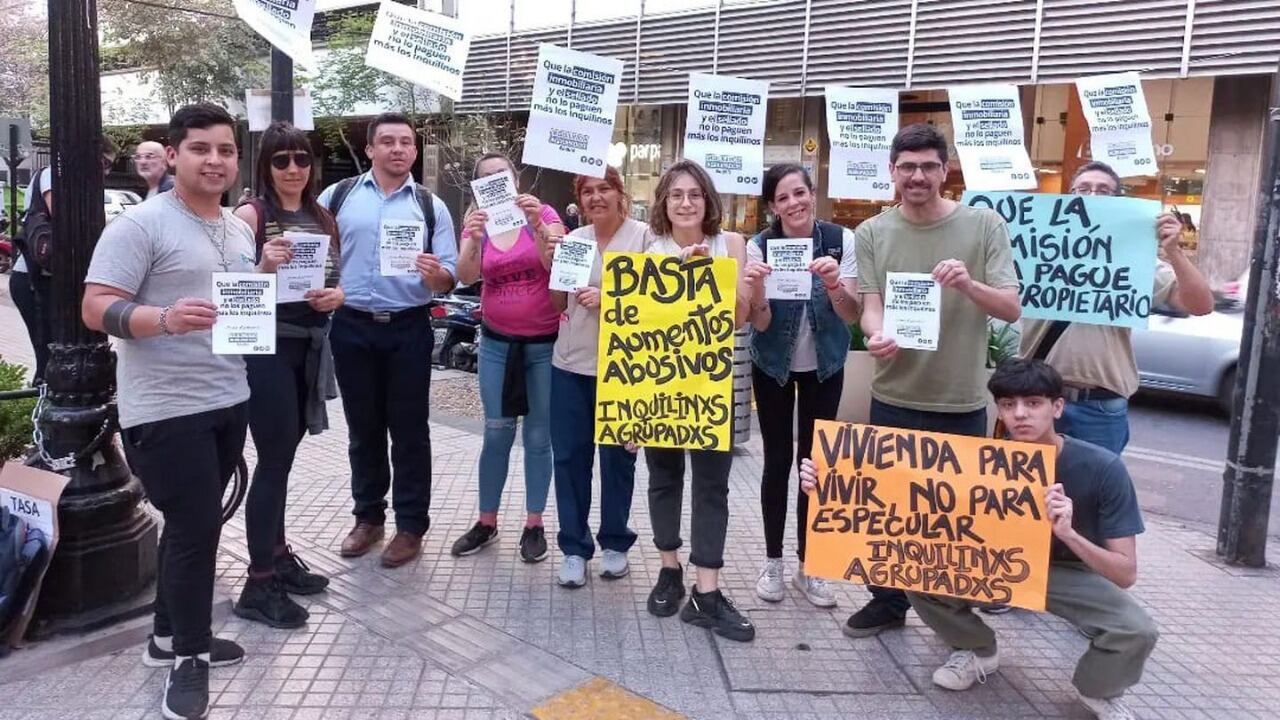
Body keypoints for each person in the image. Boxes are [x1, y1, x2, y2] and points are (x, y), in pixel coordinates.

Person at [800, 358, 1159, 720]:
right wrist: (827, 482)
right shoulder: (972, 460)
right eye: (1008, 404)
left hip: (1065, 570)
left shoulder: (1102, 468)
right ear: (998, 410)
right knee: (909, 566)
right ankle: (977, 648)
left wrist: (1069, 534)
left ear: (1057, 407)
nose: (1020, 414)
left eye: (1033, 403)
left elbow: (1125, 573)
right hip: (989, 561)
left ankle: (1098, 690)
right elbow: (892, 498)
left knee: (1135, 630)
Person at [82, 104, 255, 720]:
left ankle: (163, 638)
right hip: (163, 408)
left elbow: (236, 305)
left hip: (227, 397)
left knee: (196, 525)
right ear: (175, 154)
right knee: (193, 530)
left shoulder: (237, 228)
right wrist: (163, 319)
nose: (215, 160)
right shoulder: (141, 224)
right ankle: (190, 656)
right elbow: (96, 306)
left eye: (227, 150)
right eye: (202, 149)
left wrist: (270, 276)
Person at [845, 123, 1021, 638]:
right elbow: (871, 309)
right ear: (892, 173)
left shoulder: (983, 225)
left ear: (945, 171)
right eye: (907, 167)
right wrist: (876, 337)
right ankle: (887, 602)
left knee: (955, 519)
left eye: (927, 166)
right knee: (890, 510)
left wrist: (968, 283)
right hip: (894, 393)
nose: (917, 176)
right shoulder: (874, 231)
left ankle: (954, 619)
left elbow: (1010, 306)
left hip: (960, 399)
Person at [320, 112, 458, 569]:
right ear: (370, 149)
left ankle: (411, 525)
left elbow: (449, 277)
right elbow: (316, 256)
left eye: (406, 142)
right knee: (363, 429)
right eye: (388, 142)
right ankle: (368, 518)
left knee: (410, 430)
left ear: (415, 152)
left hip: (408, 327)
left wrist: (437, 274)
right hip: (352, 325)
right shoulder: (336, 197)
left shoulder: (429, 205)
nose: (398, 149)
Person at [231, 121, 345, 629]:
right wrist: (263, 267)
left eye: (301, 159)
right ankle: (257, 583)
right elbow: (230, 293)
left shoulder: (322, 216)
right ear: (265, 166)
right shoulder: (250, 215)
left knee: (286, 454)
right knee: (274, 459)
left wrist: (335, 297)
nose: (294, 169)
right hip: (266, 349)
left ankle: (276, 553)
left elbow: (334, 280)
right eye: (282, 160)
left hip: (309, 346)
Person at [1020, 161, 1213, 454]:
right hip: (1034, 399)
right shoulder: (1032, 247)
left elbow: (1199, 305)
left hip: (1097, 407)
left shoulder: (1133, 258)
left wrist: (1174, 252)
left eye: (1104, 191)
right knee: (1027, 494)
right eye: (1083, 189)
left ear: (1118, 202)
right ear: (1069, 198)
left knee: (1093, 495)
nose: (1093, 196)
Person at [640, 160, 756, 640]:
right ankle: (670, 569)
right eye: (676, 195)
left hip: (712, 387)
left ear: (708, 201)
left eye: (694, 194)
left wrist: (711, 281)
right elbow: (641, 327)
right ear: (664, 204)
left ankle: (706, 592)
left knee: (712, 486)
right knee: (663, 479)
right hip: (663, 386)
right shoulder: (650, 250)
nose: (685, 203)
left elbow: (740, 317)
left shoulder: (731, 246)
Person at [743, 163, 861, 609]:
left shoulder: (840, 240)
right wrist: (756, 292)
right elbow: (762, 322)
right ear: (772, 206)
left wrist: (832, 281)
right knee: (777, 460)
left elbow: (850, 315)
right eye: (782, 198)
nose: (793, 204)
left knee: (816, 466)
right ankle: (772, 560)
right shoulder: (761, 246)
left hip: (824, 366)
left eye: (799, 193)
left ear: (813, 194)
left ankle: (809, 564)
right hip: (773, 364)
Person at [450, 153, 564, 563]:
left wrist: (538, 226)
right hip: (497, 344)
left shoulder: (545, 213)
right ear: (478, 186)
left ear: (515, 179)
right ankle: (487, 520)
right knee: (496, 432)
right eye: (487, 177)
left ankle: (534, 524)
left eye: (503, 174)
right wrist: (474, 240)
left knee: (538, 437)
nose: (496, 181)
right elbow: (465, 276)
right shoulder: (476, 222)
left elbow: (559, 267)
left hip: (544, 344)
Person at [550, 165, 647, 588]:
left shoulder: (645, 239)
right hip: (571, 363)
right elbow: (559, 301)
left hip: (623, 368)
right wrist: (551, 261)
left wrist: (612, 298)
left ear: (620, 193)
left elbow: (659, 300)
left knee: (618, 458)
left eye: (604, 188)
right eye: (587, 191)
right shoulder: (573, 241)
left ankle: (614, 543)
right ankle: (574, 547)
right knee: (570, 458)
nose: (596, 197)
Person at [11, 138, 118, 385]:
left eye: (109, 166)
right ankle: (44, 399)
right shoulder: (54, 175)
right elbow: (66, 216)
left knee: (61, 348)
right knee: (49, 351)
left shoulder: (74, 183)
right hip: (34, 279)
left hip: (53, 278)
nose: (106, 171)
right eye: (103, 163)